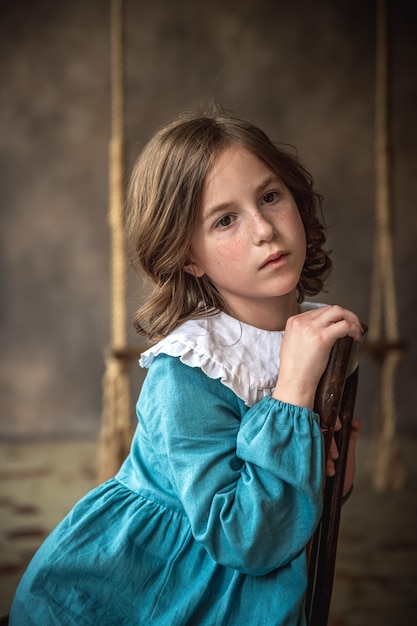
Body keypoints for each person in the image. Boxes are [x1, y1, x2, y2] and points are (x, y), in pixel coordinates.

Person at [10, 105, 363, 625]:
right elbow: (246, 539)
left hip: (249, 566)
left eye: (270, 196)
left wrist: (335, 455)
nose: (263, 229)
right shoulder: (189, 371)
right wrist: (292, 391)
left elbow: (305, 505)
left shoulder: (320, 336)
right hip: (131, 588)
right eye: (225, 220)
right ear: (188, 256)